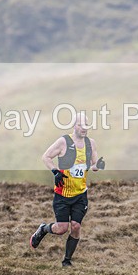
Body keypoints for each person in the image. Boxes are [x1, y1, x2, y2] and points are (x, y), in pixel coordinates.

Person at [29, 113, 105, 266]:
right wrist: (55, 171)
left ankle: (67, 261)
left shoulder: (91, 144)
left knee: (76, 226)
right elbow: (46, 157)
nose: (84, 128)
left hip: (80, 194)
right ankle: (43, 229)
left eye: (86, 125)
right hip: (62, 195)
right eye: (80, 125)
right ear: (74, 126)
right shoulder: (64, 142)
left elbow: (93, 166)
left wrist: (99, 166)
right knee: (61, 229)